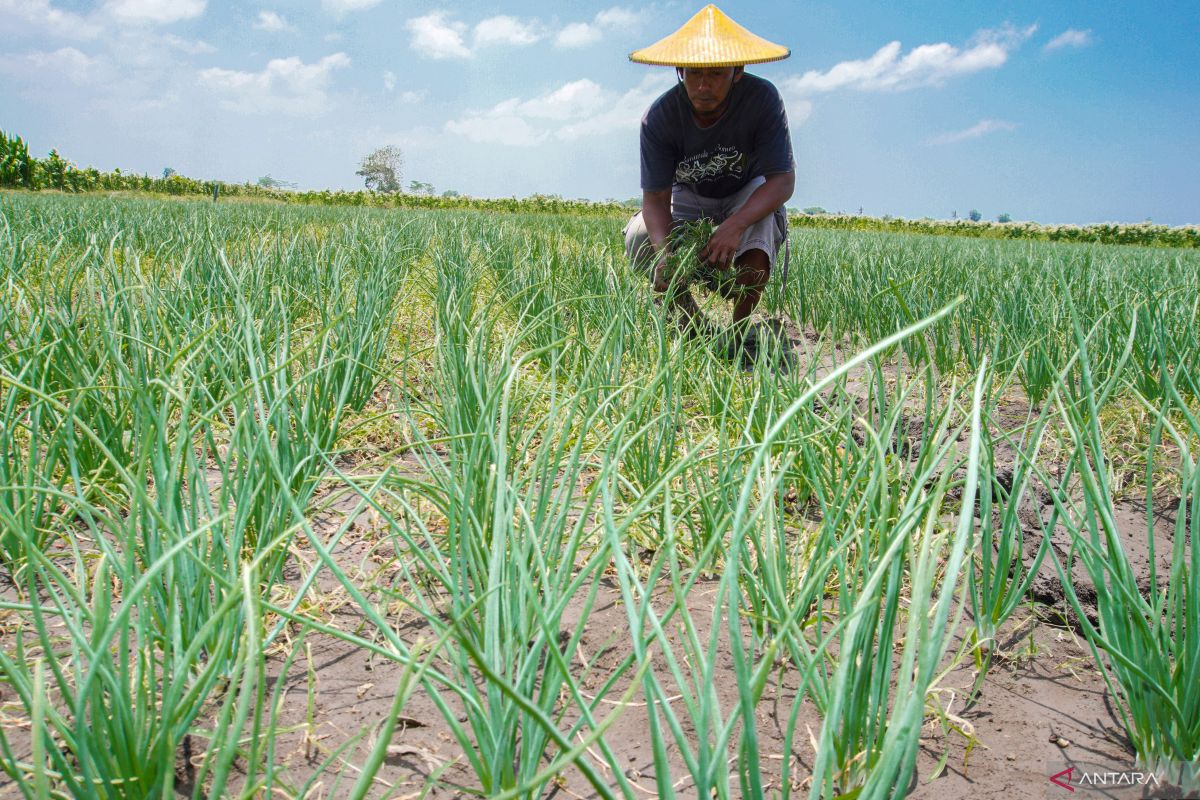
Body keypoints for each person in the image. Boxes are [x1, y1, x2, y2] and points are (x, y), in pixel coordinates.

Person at [623, 4, 795, 355]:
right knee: (642, 236)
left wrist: (735, 225)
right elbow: (655, 201)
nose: (703, 85)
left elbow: (782, 182)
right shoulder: (658, 118)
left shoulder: (762, 100)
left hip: (745, 192)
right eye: (694, 73)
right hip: (690, 193)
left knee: (760, 225)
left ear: (737, 71)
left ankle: (739, 330)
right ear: (680, 70)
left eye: (716, 74)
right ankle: (691, 326)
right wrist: (667, 253)